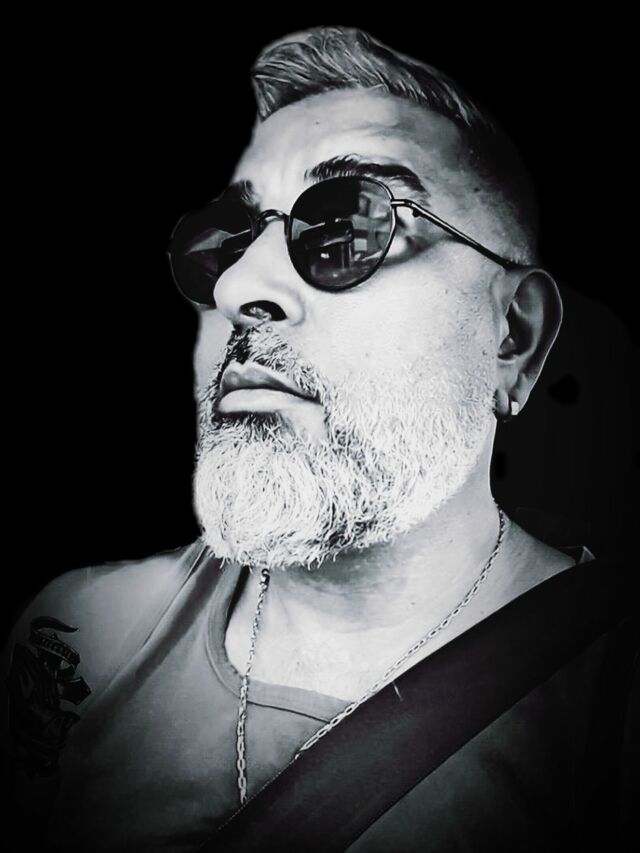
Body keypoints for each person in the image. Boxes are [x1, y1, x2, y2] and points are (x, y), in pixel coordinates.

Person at [2, 25, 636, 853]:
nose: (239, 287)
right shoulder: (78, 638)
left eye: (348, 226)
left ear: (511, 336)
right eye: (226, 241)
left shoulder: (609, 699)